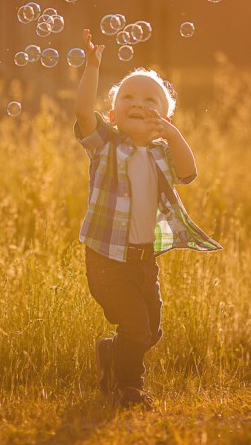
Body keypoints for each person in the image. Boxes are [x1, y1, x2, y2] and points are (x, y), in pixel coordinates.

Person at [74, 28, 222, 409]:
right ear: (112, 113)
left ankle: (111, 354)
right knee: (136, 325)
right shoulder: (105, 146)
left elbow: (189, 172)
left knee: (149, 330)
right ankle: (129, 388)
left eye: (149, 99)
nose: (137, 102)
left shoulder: (161, 154)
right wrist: (92, 66)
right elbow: (80, 112)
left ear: (165, 116)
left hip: (144, 261)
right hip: (107, 261)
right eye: (127, 97)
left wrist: (172, 135)